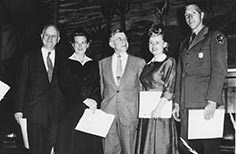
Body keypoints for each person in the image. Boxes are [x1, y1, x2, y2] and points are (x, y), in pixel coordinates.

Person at [173, 2, 228, 154]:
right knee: (187, 150)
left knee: (209, 149)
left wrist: (212, 101)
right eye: (186, 15)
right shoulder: (184, 43)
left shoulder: (214, 37)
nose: (189, 18)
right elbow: (180, 74)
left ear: (202, 15)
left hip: (204, 105)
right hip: (186, 105)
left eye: (193, 14)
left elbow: (219, 71)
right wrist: (177, 103)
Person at [14, 24, 63, 154]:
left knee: (53, 150)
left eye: (54, 36)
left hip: (57, 112)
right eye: (47, 35)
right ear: (41, 36)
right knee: (35, 150)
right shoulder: (28, 57)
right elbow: (21, 83)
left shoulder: (64, 59)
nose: (50, 39)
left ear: (58, 39)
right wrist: (18, 109)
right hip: (34, 111)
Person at [55, 31, 103, 154]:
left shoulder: (93, 63)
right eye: (77, 43)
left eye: (83, 43)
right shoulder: (64, 63)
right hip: (71, 111)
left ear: (88, 45)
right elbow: (66, 86)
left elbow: (97, 85)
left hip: (89, 111)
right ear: (72, 44)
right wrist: (84, 99)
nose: (80, 46)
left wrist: (95, 102)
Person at [99, 29, 146, 154]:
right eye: (119, 39)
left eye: (125, 39)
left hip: (129, 114)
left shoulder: (139, 63)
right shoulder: (102, 64)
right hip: (108, 114)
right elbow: (102, 90)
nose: (124, 41)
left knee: (130, 150)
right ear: (111, 43)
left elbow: (142, 90)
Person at [135, 24, 179, 154]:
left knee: (160, 145)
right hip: (147, 111)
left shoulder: (169, 62)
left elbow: (169, 88)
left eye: (157, 42)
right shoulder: (148, 65)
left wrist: (158, 109)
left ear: (165, 44)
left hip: (161, 112)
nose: (154, 46)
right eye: (151, 42)